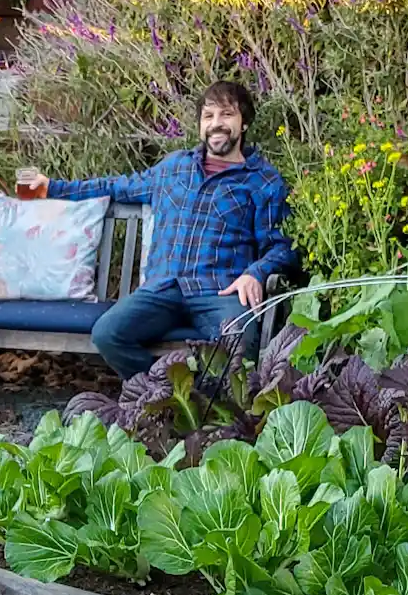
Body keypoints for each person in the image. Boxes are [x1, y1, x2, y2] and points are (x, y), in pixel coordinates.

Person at [20, 80, 295, 379]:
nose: (216, 124)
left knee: (240, 343)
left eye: (226, 115)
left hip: (219, 290)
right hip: (162, 287)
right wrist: (53, 187)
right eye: (208, 116)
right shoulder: (173, 168)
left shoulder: (263, 181)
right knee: (108, 333)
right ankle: (167, 396)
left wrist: (254, 273)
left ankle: (214, 415)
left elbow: (282, 246)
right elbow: (115, 187)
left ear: (243, 124)